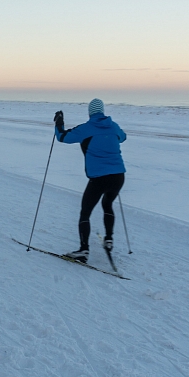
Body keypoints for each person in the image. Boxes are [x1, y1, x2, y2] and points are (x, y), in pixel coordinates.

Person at [53, 99, 126, 263]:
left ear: (90, 112)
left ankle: (83, 251)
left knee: (85, 212)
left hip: (99, 178)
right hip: (118, 176)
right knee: (107, 204)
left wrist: (59, 123)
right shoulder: (113, 126)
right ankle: (109, 239)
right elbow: (123, 137)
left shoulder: (86, 128)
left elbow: (62, 137)